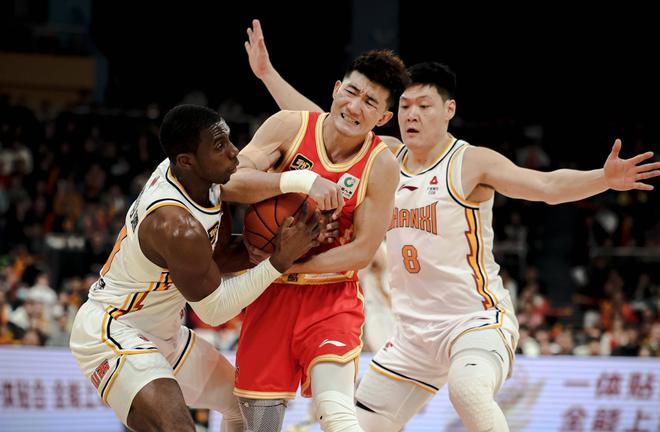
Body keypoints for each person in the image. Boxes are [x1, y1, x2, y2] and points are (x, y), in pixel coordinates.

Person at [242, 19, 660, 431]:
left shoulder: (471, 162)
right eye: (405, 106)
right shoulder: (383, 158)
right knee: (354, 425)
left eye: (424, 106)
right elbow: (324, 120)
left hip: (475, 322)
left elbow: (547, 186)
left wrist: (603, 179)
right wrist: (267, 75)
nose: (412, 115)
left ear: (449, 110)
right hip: (412, 336)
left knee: (468, 391)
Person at [69, 104, 321, 432]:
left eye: (228, 139)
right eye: (219, 146)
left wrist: (291, 237)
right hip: (115, 329)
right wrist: (279, 260)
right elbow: (214, 310)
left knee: (243, 408)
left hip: (166, 334)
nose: (234, 152)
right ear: (187, 161)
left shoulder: (198, 180)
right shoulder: (176, 226)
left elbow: (217, 256)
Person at [220, 32, 409, 432]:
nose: (355, 106)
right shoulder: (289, 126)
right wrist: (298, 182)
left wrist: (288, 260)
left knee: (336, 412)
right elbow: (230, 183)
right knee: (259, 425)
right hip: (270, 294)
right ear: (337, 88)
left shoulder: (382, 163)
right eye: (352, 92)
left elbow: (362, 251)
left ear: (383, 118)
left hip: (331, 296)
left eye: (370, 102)